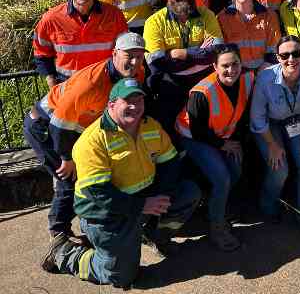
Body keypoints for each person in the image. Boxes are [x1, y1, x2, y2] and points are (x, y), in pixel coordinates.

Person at [41, 78, 201, 289]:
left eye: (139, 100)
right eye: (128, 101)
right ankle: (65, 253)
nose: (135, 106)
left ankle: (153, 237)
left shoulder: (150, 126)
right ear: (111, 105)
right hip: (105, 214)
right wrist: (142, 206)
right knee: (121, 276)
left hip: (140, 203)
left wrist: (162, 196)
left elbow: (170, 162)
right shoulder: (93, 140)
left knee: (189, 193)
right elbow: (98, 193)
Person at [24, 32, 147, 244]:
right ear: (115, 54)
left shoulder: (136, 73)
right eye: (129, 56)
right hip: (46, 126)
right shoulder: (90, 84)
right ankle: (58, 233)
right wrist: (66, 158)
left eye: (139, 56)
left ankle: (90, 224)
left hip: (75, 128)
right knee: (70, 180)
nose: (135, 62)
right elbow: (59, 126)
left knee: (92, 175)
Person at [176, 44, 254, 251]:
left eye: (235, 64)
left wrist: (235, 142)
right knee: (222, 178)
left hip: (223, 136)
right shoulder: (202, 92)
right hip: (194, 137)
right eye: (225, 66)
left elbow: (241, 115)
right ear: (215, 67)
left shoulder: (247, 79)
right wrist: (224, 145)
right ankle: (217, 227)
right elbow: (198, 131)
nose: (231, 70)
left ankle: (213, 205)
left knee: (235, 169)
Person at [250, 36, 300, 235]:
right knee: (279, 168)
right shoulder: (265, 78)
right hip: (269, 125)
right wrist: (272, 145)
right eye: (285, 55)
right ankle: (269, 207)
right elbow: (257, 118)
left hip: (298, 122)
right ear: (277, 58)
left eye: (296, 53)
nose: (291, 59)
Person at [144, 0, 223, 137]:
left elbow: (216, 52)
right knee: (166, 126)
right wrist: (198, 53)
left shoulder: (207, 15)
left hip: (203, 79)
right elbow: (157, 63)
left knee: (207, 123)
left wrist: (177, 53)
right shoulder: (154, 22)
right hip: (172, 82)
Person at [34, 0, 128, 87]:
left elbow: (125, 51)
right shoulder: (51, 19)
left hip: (105, 86)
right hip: (68, 88)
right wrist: (52, 84)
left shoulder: (114, 15)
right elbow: (41, 54)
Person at [218, 0, 280, 72]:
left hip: (266, 69)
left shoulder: (269, 15)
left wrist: (264, 71)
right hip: (235, 72)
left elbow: (274, 49)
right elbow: (222, 52)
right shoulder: (222, 18)